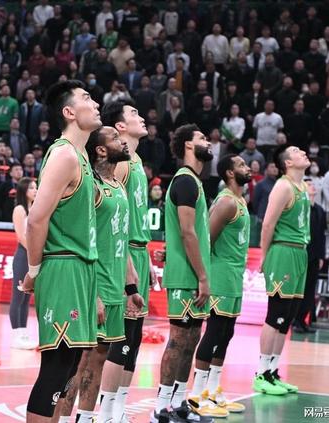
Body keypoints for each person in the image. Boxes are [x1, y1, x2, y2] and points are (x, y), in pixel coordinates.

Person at [18, 80, 101, 422]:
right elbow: (36, 219)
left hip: (82, 268)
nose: (95, 103)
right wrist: (34, 270)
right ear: (69, 112)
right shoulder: (64, 154)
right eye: (86, 98)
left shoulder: (81, 156)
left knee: (68, 371)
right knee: (55, 368)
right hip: (63, 266)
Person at [57, 126, 138, 423]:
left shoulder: (118, 185)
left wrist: (131, 287)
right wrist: (93, 295)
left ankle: (86, 417)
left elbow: (121, 239)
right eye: (115, 138)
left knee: (100, 358)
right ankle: (63, 419)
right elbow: (82, 239)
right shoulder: (90, 186)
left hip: (115, 285)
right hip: (95, 285)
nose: (122, 142)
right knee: (79, 360)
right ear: (101, 150)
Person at [153, 124, 214, 423]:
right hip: (185, 275)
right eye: (202, 138)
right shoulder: (186, 181)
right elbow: (188, 233)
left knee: (191, 340)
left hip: (192, 272)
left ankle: (178, 403)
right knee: (178, 341)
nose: (208, 141)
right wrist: (203, 276)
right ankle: (160, 408)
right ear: (188, 145)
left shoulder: (195, 182)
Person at [98, 101, 155, 422]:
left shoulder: (137, 161)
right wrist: (125, 263)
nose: (141, 117)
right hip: (123, 252)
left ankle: (118, 406)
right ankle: (105, 409)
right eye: (134, 114)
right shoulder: (121, 165)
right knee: (119, 337)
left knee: (134, 337)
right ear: (120, 127)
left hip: (139, 252)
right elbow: (112, 219)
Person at [187, 154, 251, 417]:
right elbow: (206, 240)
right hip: (221, 275)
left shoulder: (240, 200)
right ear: (229, 173)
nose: (248, 167)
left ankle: (212, 391)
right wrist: (203, 276)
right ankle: (196, 394)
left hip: (234, 276)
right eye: (241, 165)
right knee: (214, 332)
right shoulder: (226, 202)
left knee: (227, 333)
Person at [254, 145, 311, 396]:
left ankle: (273, 372)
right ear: (287, 163)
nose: (303, 152)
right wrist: (264, 256)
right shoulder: (283, 186)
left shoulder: (303, 187)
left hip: (300, 252)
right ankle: (260, 373)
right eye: (297, 151)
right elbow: (268, 224)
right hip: (283, 251)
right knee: (275, 313)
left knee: (287, 317)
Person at [293, 178, 326, 333]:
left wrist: (321, 256)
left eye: (313, 184)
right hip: (301, 253)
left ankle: (303, 320)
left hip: (314, 256)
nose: (312, 187)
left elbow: (322, 235)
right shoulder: (300, 207)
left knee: (310, 289)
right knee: (299, 288)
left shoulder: (320, 210)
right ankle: (295, 320)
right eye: (309, 185)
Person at [10, 177, 38, 350]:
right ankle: (16, 335)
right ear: (24, 190)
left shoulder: (35, 208)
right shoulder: (19, 209)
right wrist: (34, 253)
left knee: (27, 296)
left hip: (32, 257)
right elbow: (21, 236)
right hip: (23, 255)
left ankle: (24, 332)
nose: (35, 190)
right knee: (18, 295)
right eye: (32, 188)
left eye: (36, 187)